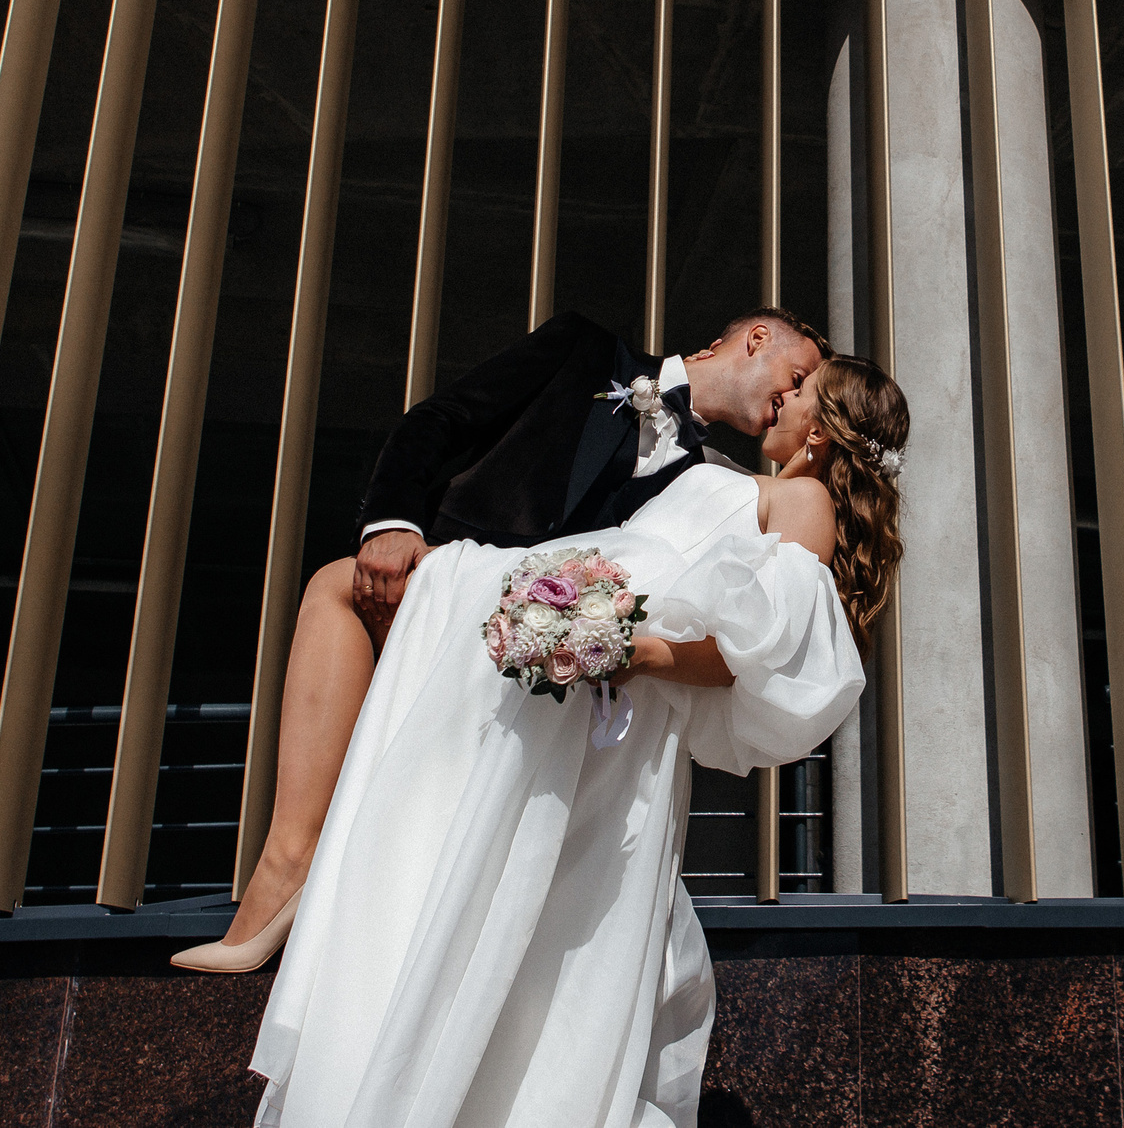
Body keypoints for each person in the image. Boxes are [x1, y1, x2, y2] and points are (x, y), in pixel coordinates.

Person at [246, 356, 908, 1127]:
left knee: (529, 899)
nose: (782, 400)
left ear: (820, 432)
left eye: (800, 395)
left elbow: (756, 649)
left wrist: (629, 648)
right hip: (571, 657)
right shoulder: (738, 475)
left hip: (603, 696)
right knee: (482, 866)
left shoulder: (801, 500)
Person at [171, 307, 824, 970]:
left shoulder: (713, 480)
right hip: (457, 581)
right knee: (342, 586)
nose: (792, 399)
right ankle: (290, 861)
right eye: (798, 375)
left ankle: (326, 882)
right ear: (756, 338)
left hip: (545, 669)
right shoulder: (585, 350)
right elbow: (441, 420)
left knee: (339, 596)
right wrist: (391, 522)